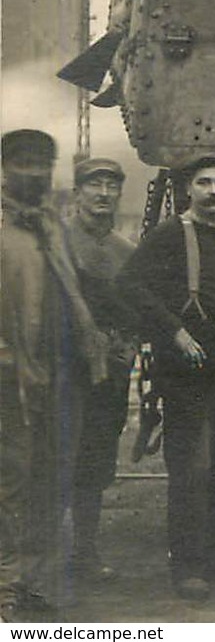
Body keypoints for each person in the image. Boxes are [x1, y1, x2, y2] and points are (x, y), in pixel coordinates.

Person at [122, 152, 215, 600]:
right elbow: (130, 285)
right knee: (191, 468)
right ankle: (187, 567)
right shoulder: (170, 234)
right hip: (188, 365)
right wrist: (175, 331)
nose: (214, 192)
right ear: (189, 189)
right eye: (204, 183)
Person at [1, 130, 106, 619]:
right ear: (4, 169)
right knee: (9, 487)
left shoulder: (51, 226)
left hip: (62, 377)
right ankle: (5, 590)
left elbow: (75, 292)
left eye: (44, 164)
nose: (37, 174)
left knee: (51, 481)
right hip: (9, 379)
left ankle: (32, 584)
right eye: (24, 164)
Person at [63, 158, 138, 584]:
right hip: (60, 370)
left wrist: (125, 346)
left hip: (107, 374)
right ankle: (43, 555)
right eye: (94, 185)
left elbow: (136, 313)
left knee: (94, 462)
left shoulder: (127, 251)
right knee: (53, 458)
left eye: (111, 185)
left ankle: (85, 552)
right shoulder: (54, 243)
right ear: (77, 193)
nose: (103, 194)